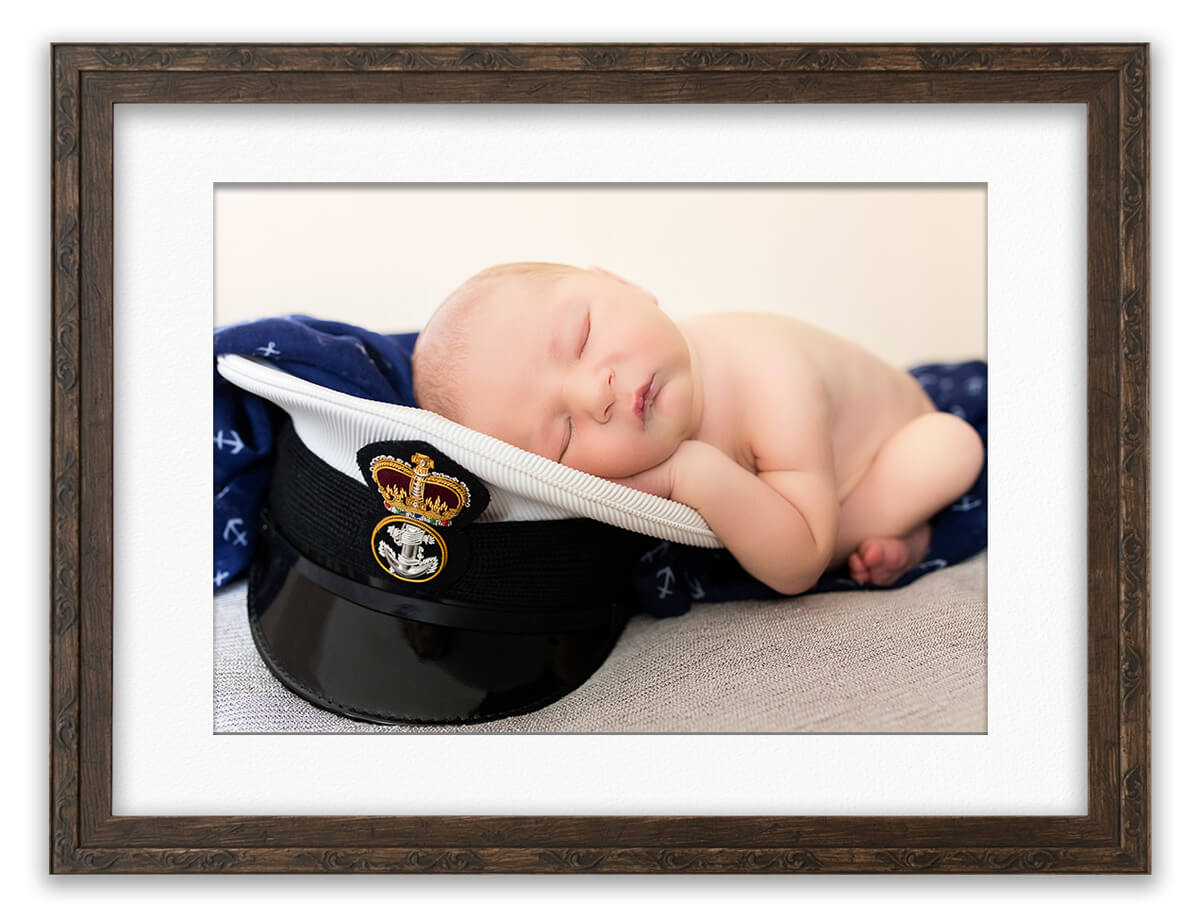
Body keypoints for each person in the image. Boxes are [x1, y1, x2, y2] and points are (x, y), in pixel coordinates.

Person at [412, 261, 984, 595]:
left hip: (879, 458)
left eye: (583, 337)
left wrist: (692, 473)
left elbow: (799, 565)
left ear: (625, 284)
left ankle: (897, 529)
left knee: (952, 447)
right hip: (800, 493)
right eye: (562, 437)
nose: (596, 394)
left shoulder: (770, 377)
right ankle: (895, 542)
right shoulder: (638, 403)